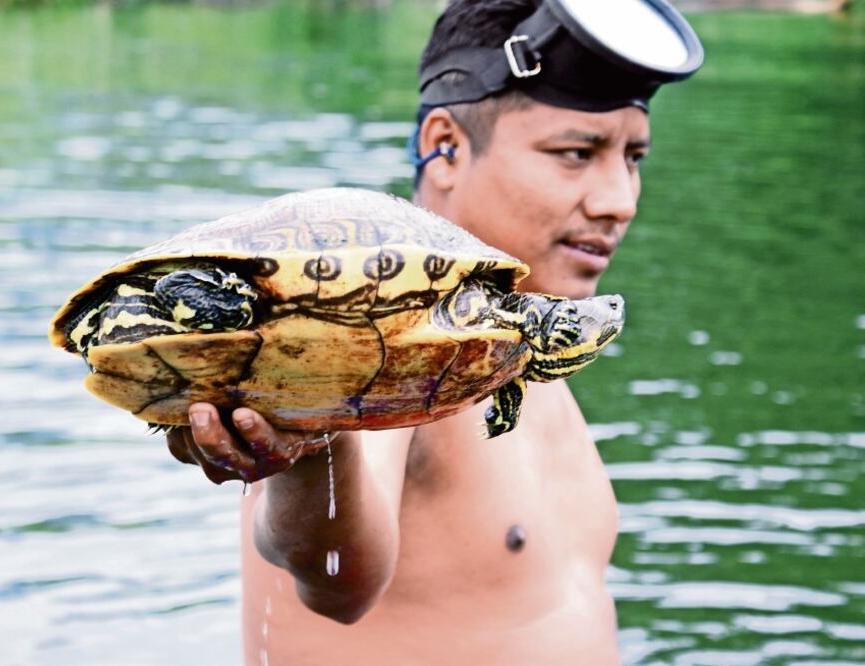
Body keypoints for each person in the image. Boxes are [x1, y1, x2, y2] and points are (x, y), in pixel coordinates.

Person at [166, 1, 703, 663]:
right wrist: (310, 451)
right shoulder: (381, 333)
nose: (618, 198)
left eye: (633, 156)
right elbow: (336, 583)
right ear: (444, 146)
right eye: (576, 153)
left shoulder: (517, 336)